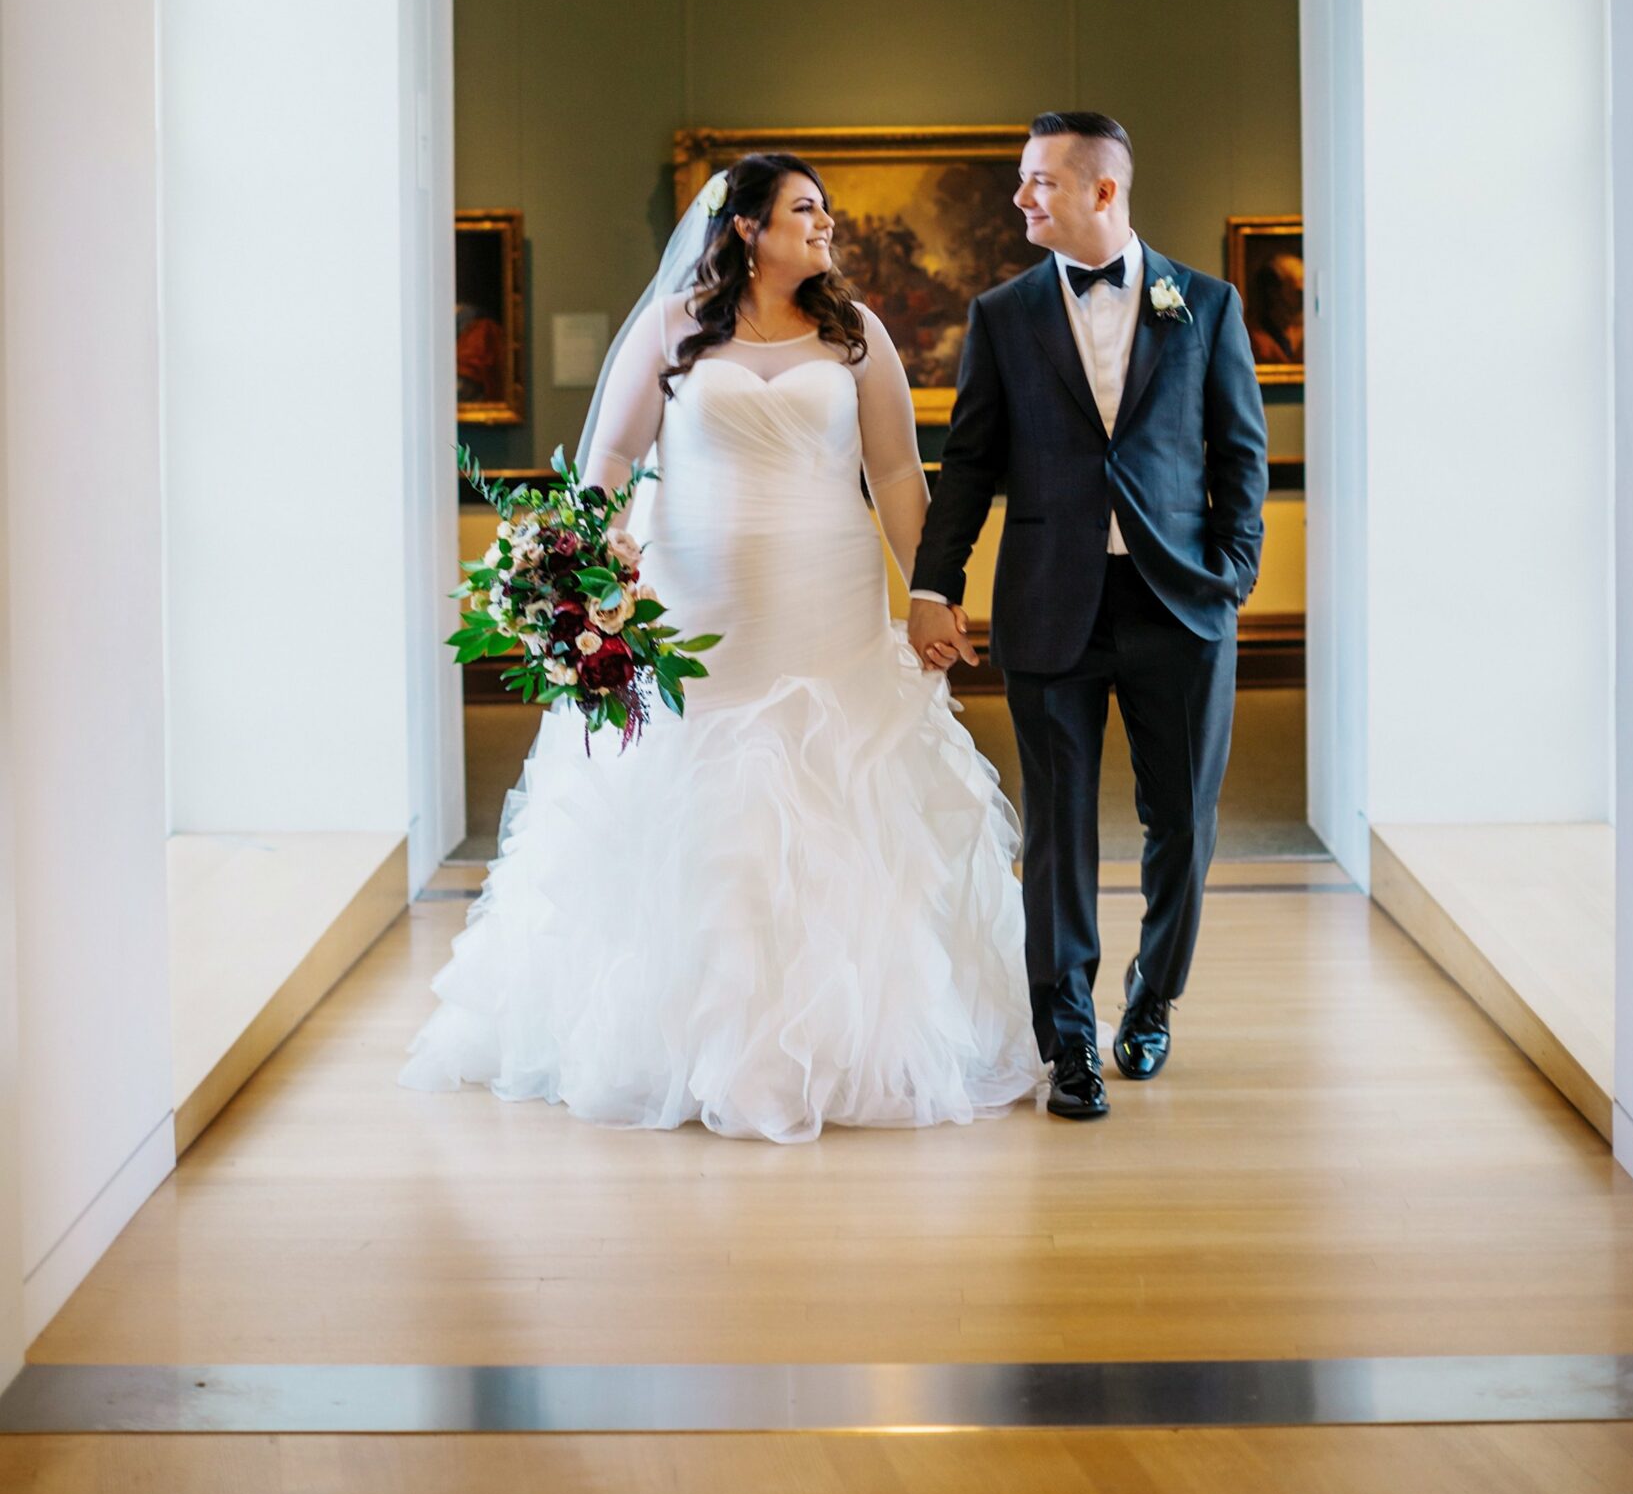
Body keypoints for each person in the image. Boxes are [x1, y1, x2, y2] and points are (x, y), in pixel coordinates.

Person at [400, 152, 1040, 1143]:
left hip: (828, 613)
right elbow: (609, 455)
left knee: (839, 802)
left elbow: (900, 477)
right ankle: (682, 1042)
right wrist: (598, 553)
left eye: (827, 210)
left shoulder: (856, 335)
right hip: (701, 616)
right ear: (746, 227)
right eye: (803, 209)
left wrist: (931, 593)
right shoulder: (672, 330)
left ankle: (842, 1047)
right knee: (699, 803)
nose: (826, 224)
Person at [909, 113, 1267, 1122]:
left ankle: (1151, 1005)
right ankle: (1067, 1041)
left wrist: (1231, 572)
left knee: (1182, 828)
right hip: (1049, 606)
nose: (1022, 198)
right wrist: (937, 584)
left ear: (1103, 192)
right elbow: (970, 464)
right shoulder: (1003, 315)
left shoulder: (1207, 304)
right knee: (1058, 833)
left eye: (1039, 183)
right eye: (1024, 182)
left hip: (1181, 605)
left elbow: (1241, 455)